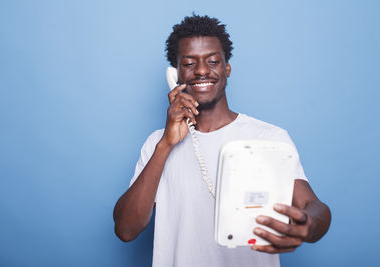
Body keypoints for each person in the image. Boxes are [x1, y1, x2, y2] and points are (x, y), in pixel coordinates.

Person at [113, 14, 331, 267]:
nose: (202, 70)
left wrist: (310, 224)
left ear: (226, 68)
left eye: (213, 61)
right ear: (175, 74)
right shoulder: (156, 144)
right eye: (189, 63)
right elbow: (126, 230)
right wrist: (166, 144)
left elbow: (313, 206)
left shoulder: (269, 137)